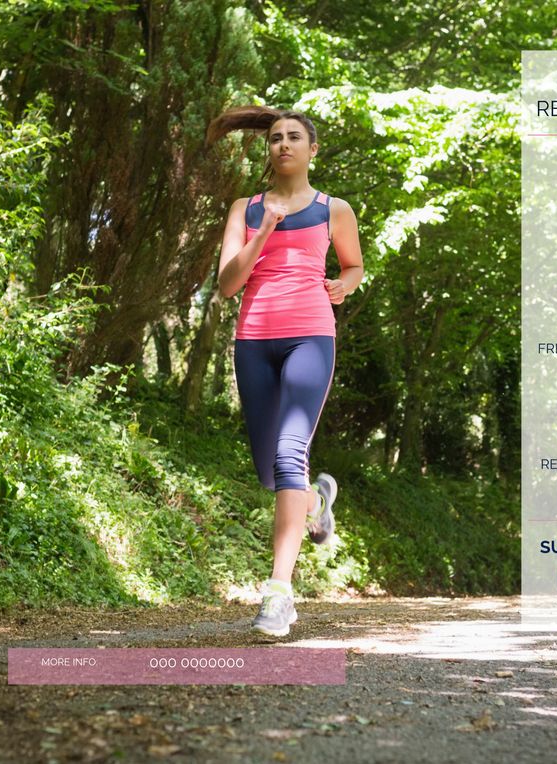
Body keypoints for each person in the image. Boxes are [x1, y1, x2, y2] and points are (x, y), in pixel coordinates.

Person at [207, 105, 364, 637]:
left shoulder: (332, 209)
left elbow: (353, 264)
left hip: (310, 336)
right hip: (253, 339)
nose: (283, 144)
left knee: (288, 452)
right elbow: (228, 285)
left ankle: (279, 593)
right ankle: (318, 501)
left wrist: (346, 284)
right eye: (275, 138)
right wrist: (263, 232)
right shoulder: (245, 209)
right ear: (268, 150)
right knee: (269, 472)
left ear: (312, 149)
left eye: (295, 137)